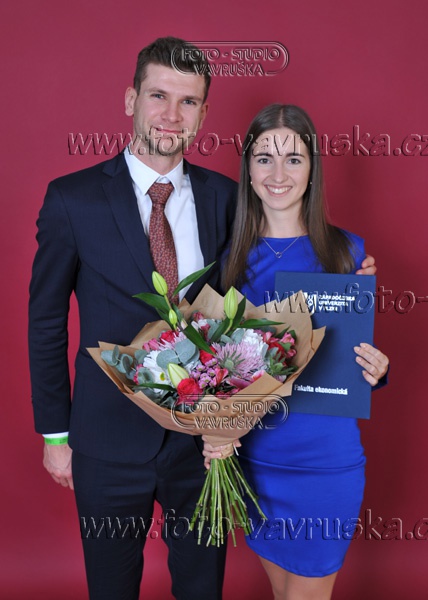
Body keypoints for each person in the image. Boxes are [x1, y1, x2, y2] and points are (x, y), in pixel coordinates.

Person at [29, 38, 377, 599]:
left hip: (206, 447)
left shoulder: (228, 200)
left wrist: (350, 284)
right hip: (106, 440)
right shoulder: (73, 200)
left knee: (201, 590)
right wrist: (55, 433)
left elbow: (266, 295)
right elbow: (46, 321)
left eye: (188, 101)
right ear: (131, 100)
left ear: (203, 113)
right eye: (158, 96)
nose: (172, 114)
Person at [203, 104, 389, 600]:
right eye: (264, 158)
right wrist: (214, 430)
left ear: (312, 169)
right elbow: (216, 371)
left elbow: (355, 354)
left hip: (325, 460)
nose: (278, 174)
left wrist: (377, 369)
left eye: (294, 159)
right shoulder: (229, 260)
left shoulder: (348, 252)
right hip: (257, 460)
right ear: (248, 169)